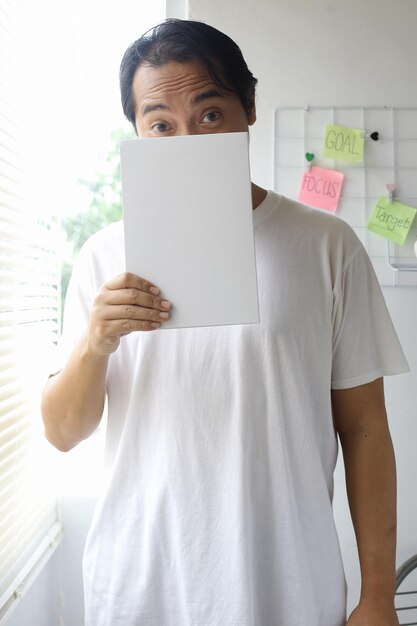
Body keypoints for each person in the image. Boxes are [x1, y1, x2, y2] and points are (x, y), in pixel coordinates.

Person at [41, 18, 409, 626]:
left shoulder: (326, 244)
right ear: (136, 130)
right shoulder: (106, 254)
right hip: (141, 585)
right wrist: (95, 342)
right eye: (161, 123)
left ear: (250, 109)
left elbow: (366, 429)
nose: (188, 140)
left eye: (210, 115)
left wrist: (377, 596)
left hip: (290, 584)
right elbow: (61, 432)